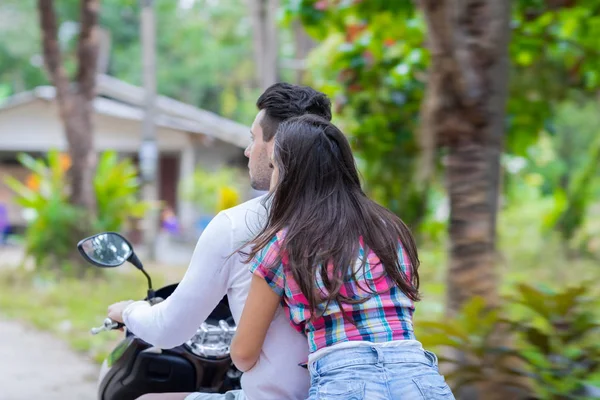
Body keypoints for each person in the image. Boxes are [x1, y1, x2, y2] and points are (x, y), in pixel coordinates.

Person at [107, 83, 332, 400]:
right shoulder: (367, 224)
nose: (247, 150)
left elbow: (171, 329)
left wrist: (129, 311)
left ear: (278, 148)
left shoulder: (240, 226)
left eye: (254, 138)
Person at [230, 115, 455, 399]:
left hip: (344, 383)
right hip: (420, 378)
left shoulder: (283, 244)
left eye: (275, 167)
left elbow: (244, 354)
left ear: (290, 176)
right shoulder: (389, 229)